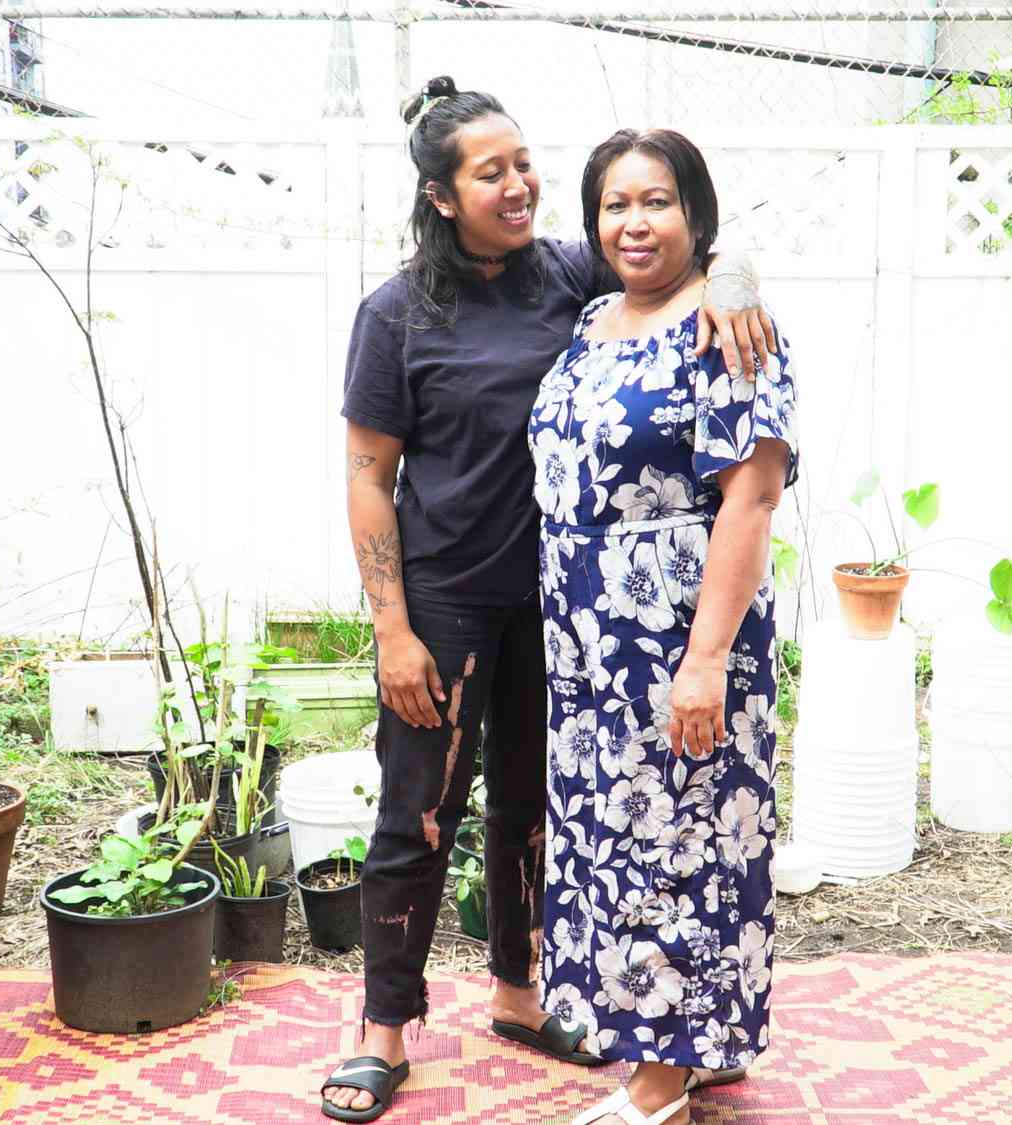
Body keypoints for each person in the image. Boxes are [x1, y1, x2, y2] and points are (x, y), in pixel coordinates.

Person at [326, 76, 779, 1123]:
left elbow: (673, 241)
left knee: (539, 811)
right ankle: (382, 1030)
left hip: (563, 610)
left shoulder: (561, 275)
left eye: (527, 164)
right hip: (442, 602)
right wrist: (390, 628)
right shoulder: (396, 314)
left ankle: (520, 997)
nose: (523, 185)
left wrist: (737, 280)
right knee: (419, 815)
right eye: (494, 174)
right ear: (443, 196)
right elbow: (365, 475)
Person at [528, 128, 797, 1125]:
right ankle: (683, 1043)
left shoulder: (732, 328)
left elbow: (752, 498)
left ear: (696, 213)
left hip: (679, 636)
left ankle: (661, 1077)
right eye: (615, 206)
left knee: (685, 848)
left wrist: (707, 662)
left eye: (658, 202)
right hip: (588, 649)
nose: (634, 223)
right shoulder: (593, 313)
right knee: (616, 848)